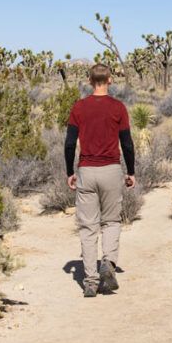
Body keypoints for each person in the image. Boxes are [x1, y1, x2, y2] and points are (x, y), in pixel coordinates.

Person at [65, 64, 136, 297]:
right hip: (111, 170)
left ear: (89, 81)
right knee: (112, 222)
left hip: (87, 170)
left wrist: (70, 171)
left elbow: (68, 143)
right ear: (110, 80)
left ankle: (90, 281)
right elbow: (127, 143)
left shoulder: (79, 107)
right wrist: (131, 171)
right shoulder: (118, 107)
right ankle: (108, 262)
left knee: (88, 228)